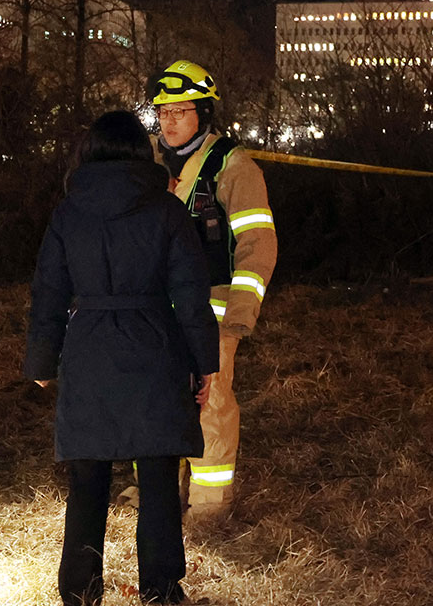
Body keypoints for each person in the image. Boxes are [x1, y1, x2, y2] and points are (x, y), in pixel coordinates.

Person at [24, 110, 218, 606]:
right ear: (140, 151)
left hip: (88, 350)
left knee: (86, 480)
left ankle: (80, 591)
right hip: (155, 348)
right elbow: (191, 296)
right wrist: (205, 363)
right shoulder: (167, 210)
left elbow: (48, 292)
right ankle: (161, 589)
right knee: (157, 480)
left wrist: (43, 363)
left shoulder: (68, 212)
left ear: (88, 151)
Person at [135, 59, 277, 524]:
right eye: (164, 112)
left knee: (210, 403)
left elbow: (257, 245)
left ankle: (209, 506)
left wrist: (240, 314)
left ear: (203, 113)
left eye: (180, 111)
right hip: (154, 309)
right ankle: (153, 491)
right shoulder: (146, 164)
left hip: (211, 311)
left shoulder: (233, 167)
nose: (169, 121)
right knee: (154, 397)